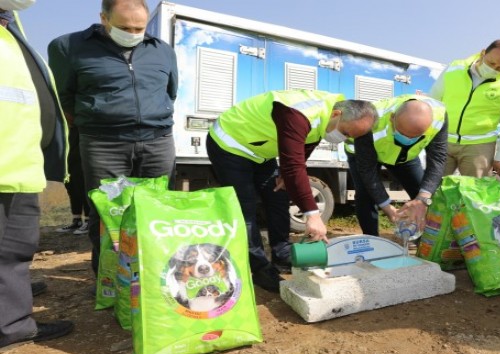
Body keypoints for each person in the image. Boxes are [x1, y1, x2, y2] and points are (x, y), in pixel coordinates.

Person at [48, 0, 179, 275]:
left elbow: (170, 91)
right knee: (107, 212)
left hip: (157, 142)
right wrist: (101, 118)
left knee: (157, 210)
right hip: (103, 144)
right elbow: (65, 98)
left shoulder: (163, 51)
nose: (132, 32)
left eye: (139, 28)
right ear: (103, 19)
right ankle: (108, 279)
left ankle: (152, 277)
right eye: (124, 27)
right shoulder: (68, 47)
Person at [206, 90, 377, 292]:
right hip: (230, 144)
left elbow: (305, 146)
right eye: (346, 133)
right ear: (337, 115)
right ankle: (259, 268)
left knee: (278, 197)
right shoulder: (298, 114)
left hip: (259, 152)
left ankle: (282, 254)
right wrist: (313, 216)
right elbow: (294, 166)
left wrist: (286, 175)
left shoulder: (325, 116)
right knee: (246, 209)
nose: (342, 139)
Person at [0, 2, 74, 351]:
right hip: (6, 162)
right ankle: (11, 327)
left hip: (17, 163)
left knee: (13, 251)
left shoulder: (10, 27)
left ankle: (11, 319)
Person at [345, 95, 448, 237]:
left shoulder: (439, 117)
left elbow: (437, 159)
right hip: (362, 154)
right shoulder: (369, 117)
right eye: (403, 134)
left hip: (404, 157)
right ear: (392, 118)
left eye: (415, 137)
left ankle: (424, 241)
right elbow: (367, 170)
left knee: (423, 191)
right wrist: (387, 207)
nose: (408, 141)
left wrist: (422, 199)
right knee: (366, 195)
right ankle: (371, 242)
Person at [429, 39, 500, 178]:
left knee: (476, 194)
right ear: (483, 53)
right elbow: (433, 101)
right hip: (442, 140)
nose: (494, 69)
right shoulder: (454, 68)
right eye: (491, 63)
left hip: (479, 146)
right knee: (434, 189)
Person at [55, 126, 90, 235]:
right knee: (71, 187)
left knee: (82, 186)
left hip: (81, 155)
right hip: (69, 156)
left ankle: (89, 221)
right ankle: (77, 220)